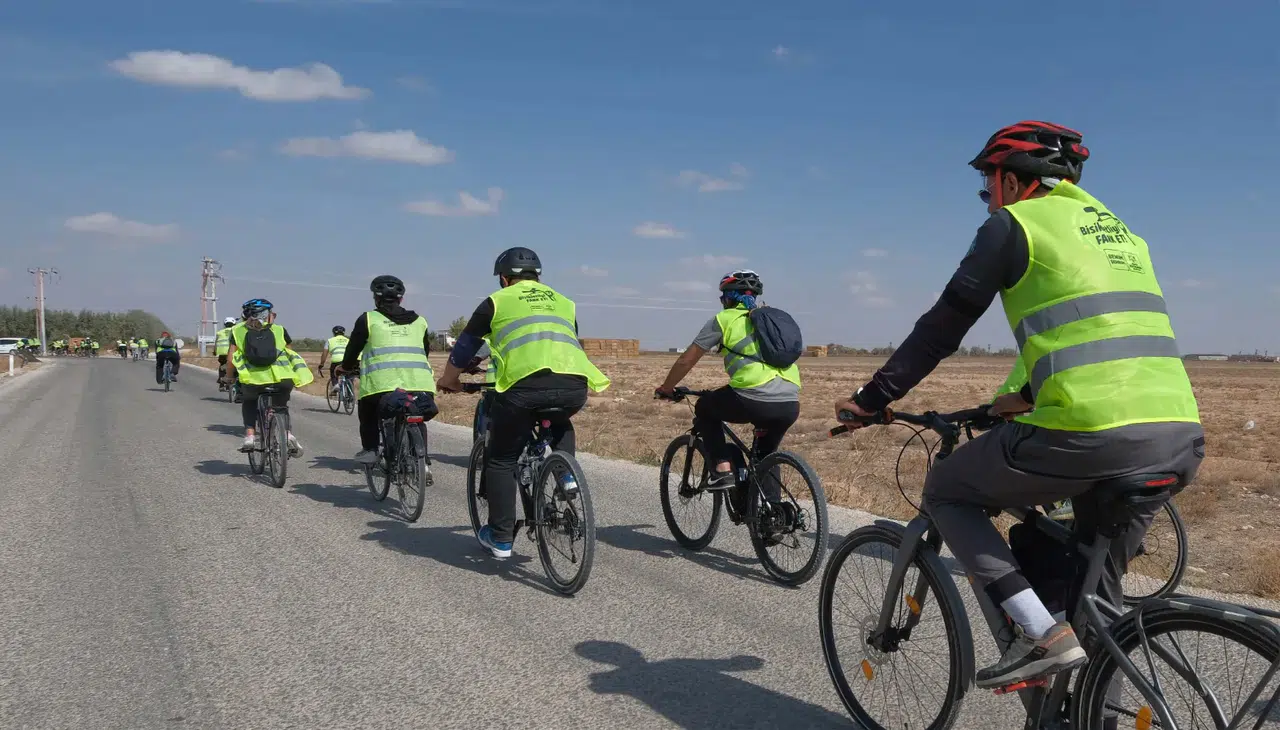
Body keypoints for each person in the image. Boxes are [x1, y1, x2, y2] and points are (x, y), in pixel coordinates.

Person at [835, 121, 1203, 690]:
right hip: (1177, 435)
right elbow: (1104, 337)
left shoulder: (1015, 225)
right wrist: (1024, 397)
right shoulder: (1123, 234)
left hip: (1090, 432)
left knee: (948, 491)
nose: (987, 201)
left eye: (987, 188)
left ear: (1011, 179)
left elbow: (942, 327)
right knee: (1095, 612)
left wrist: (871, 398)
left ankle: (1036, 633)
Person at [437, 247, 610, 558]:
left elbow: (465, 345)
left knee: (501, 460)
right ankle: (565, 475)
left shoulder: (497, 300)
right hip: (574, 385)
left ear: (504, 279)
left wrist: (449, 380)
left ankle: (501, 537)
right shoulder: (564, 302)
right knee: (560, 421)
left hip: (523, 388)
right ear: (538, 276)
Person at [654, 270, 802, 499]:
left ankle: (722, 470)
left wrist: (666, 388)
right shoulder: (772, 321)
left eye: (723, 298)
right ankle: (772, 520)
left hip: (751, 395)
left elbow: (687, 359)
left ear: (729, 298)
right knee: (765, 456)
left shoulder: (725, 319)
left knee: (704, 408)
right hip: (790, 399)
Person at [337, 276, 439, 465]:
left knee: (367, 409)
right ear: (401, 299)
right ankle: (422, 463)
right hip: (421, 383)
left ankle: (371, 449)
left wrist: (345, 366)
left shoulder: (368, 319)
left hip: (381, 385)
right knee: (416, 416)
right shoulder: (420, 321)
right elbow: (424, 351)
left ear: (376, 298)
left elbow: (353, 349)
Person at [225, 298, 305, 456]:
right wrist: (296, 377)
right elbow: (291, 355)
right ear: (268, 315)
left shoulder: (237, 331)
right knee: (280, 406)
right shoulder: (280, 330)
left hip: (253, 380)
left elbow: (230, 359)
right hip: (283, 378)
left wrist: (229, 377)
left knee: (249, 401)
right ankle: (287, 434)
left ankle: (249, 436)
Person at [215, 317, 235, 389]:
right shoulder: (235, 331)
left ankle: (221, 383)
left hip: (222, 353)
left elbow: (216, 344)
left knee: (222, 366)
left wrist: (215, 352)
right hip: (232, 353)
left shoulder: (219, 332)